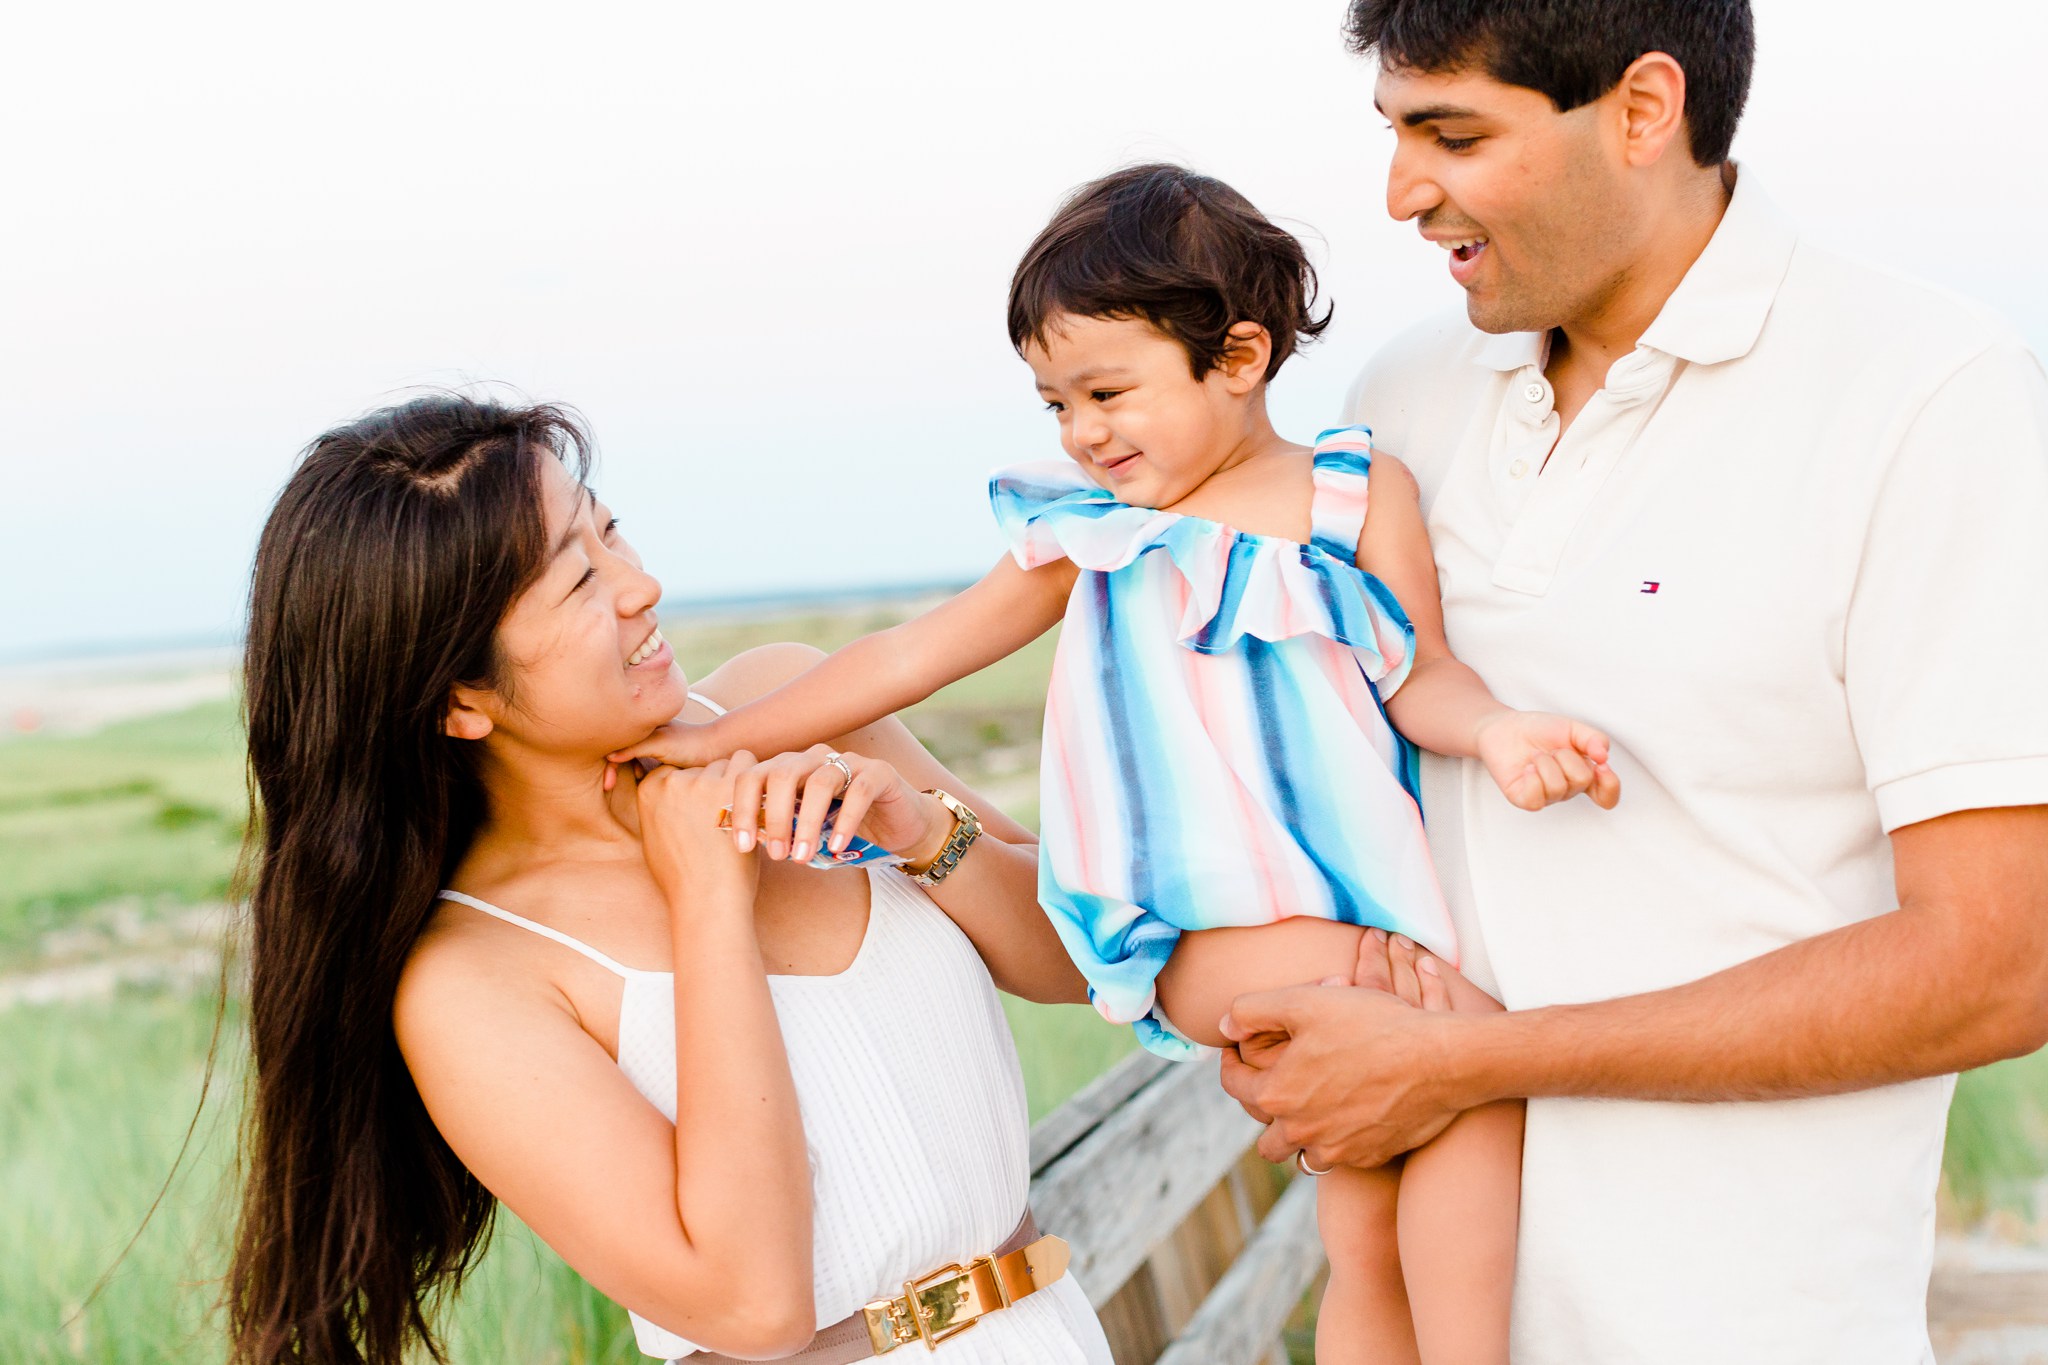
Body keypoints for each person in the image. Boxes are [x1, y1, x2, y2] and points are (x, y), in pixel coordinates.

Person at [609, 163, 1619, 1365]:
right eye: (1054, 405)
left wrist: (1501, 732)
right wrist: (719, 735)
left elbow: (1422, 672)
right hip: (1197, 934)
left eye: (1106, 391)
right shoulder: (1084, 536)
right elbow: (913, 654)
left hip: (1370, 906)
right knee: (1463, 1066)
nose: (1082, 431)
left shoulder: (1353, 500)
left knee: (1380, 1208)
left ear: (1238, 357)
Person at [1216, 3, 2048, 1363]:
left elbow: (1998, 965)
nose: (1399, 191)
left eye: (1454, 134)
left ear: (1644, 110)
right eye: (1394, 132)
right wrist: (928, 821)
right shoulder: (1401, 399)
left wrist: (1465, 1066)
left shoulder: (1928, 393)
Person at [224, 395, 1114, 1365]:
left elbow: (1083, 963)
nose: (640, 586)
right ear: (461, 700)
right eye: (577, 584)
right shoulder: (474, 981)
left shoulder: (799, 700)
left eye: (609, 531)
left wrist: (917, 828)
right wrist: (706, 905)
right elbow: (751, 1308)